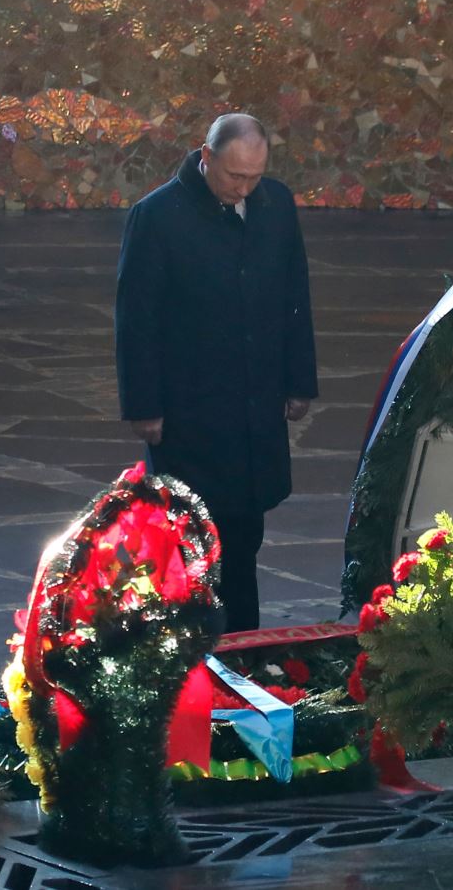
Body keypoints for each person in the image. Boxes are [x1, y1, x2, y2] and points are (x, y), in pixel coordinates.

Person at [114, 113, 319, 631]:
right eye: (234, 176)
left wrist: (299, 382)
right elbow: (137, 317)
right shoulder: (157, 216)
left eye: (253, 176)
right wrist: (144, 406)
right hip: (191, 406)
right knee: (191, 533)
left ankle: (241, 645)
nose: (244, 188)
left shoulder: (275, 205)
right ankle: (188, 648)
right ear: (205, 157)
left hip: (255, 403)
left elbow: (295, 296)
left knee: (245, 532)